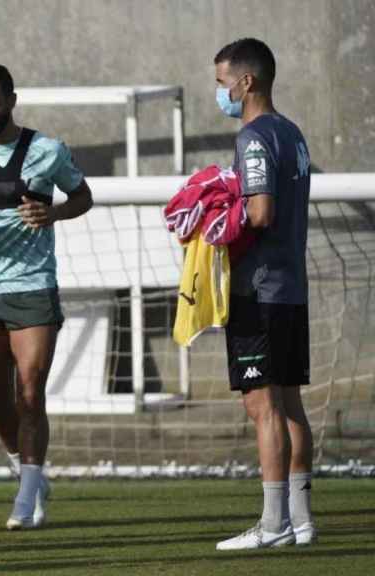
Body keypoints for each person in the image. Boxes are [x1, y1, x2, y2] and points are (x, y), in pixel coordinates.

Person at [0, 62, 93, 530]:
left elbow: (82, 196)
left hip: (33, 288)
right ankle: (26, 470)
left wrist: (54, 214)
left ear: (11, 100)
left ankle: (27, 494)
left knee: (30, 392)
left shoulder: (47, 150)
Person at [211, 38, 315, 551]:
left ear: (245, 81)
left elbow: (260, 214)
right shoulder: (293, 134)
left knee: (263, 407)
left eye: (221, 82)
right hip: (292, 288)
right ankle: (301, 519)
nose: (221, 92)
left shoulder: (253, 137)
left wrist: (215, 226)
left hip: (260, 290)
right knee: (291, 404)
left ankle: (273, 525)